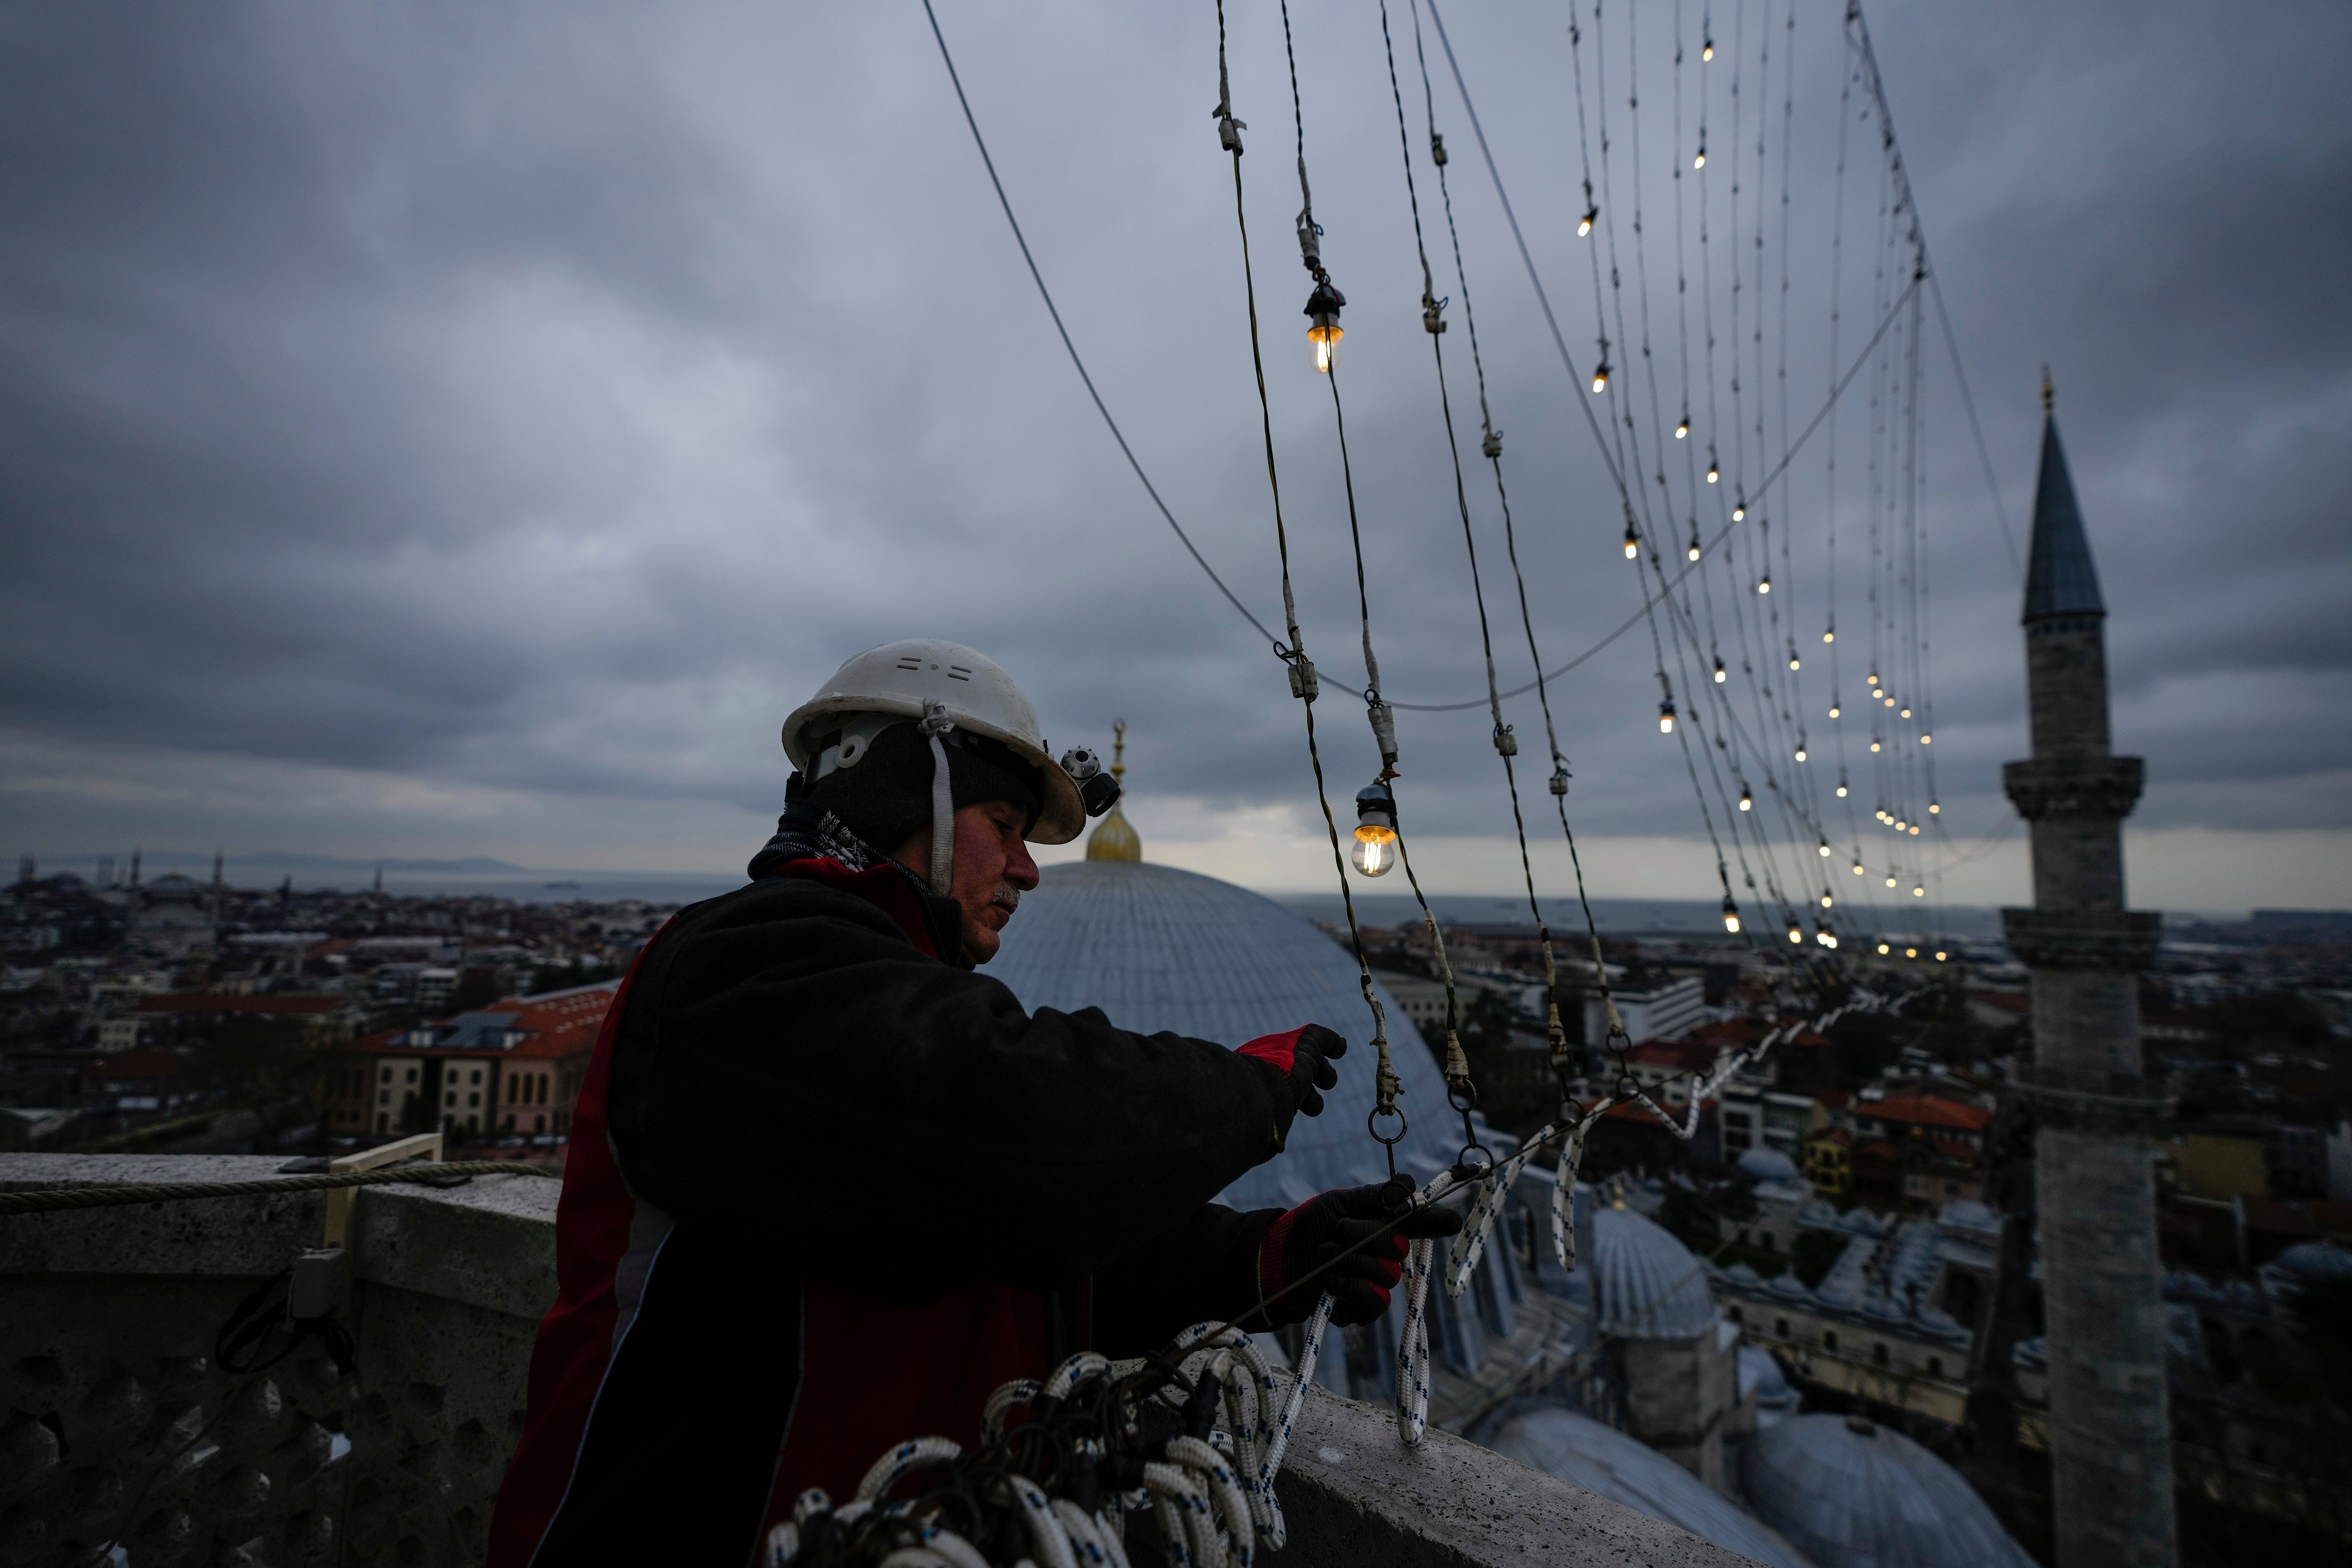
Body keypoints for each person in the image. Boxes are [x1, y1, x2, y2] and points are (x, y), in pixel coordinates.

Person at [487, 639, 1458, 1567]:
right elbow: (1015, 1135)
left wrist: (1264, 1255)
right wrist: (1247, 1088)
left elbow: (1001, 1251)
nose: (1030, 869)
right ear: (902, 795)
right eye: (1003, 824)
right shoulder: (742, 972)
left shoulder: (882, 999)